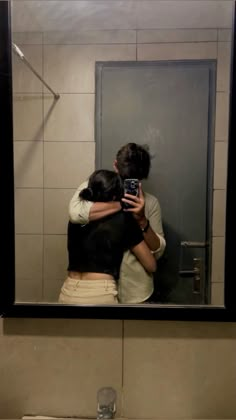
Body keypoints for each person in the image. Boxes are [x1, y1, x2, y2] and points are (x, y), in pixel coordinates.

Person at [69, 143, 166, 303]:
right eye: (126, 178)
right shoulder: (93, 189)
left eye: (135, 179)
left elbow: (158, 251)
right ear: (115, 165)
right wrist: (121, 205)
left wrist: (142, 220)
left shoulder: (150, 203)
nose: (128, 183)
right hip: (98, 289)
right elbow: (75, 213)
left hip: (135, 291)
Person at [59, 169, 156, 304]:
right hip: (99, 293)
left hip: (68, 290)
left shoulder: (76, 219)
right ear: (116, 195)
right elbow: (151, 265)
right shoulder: (123, 219)